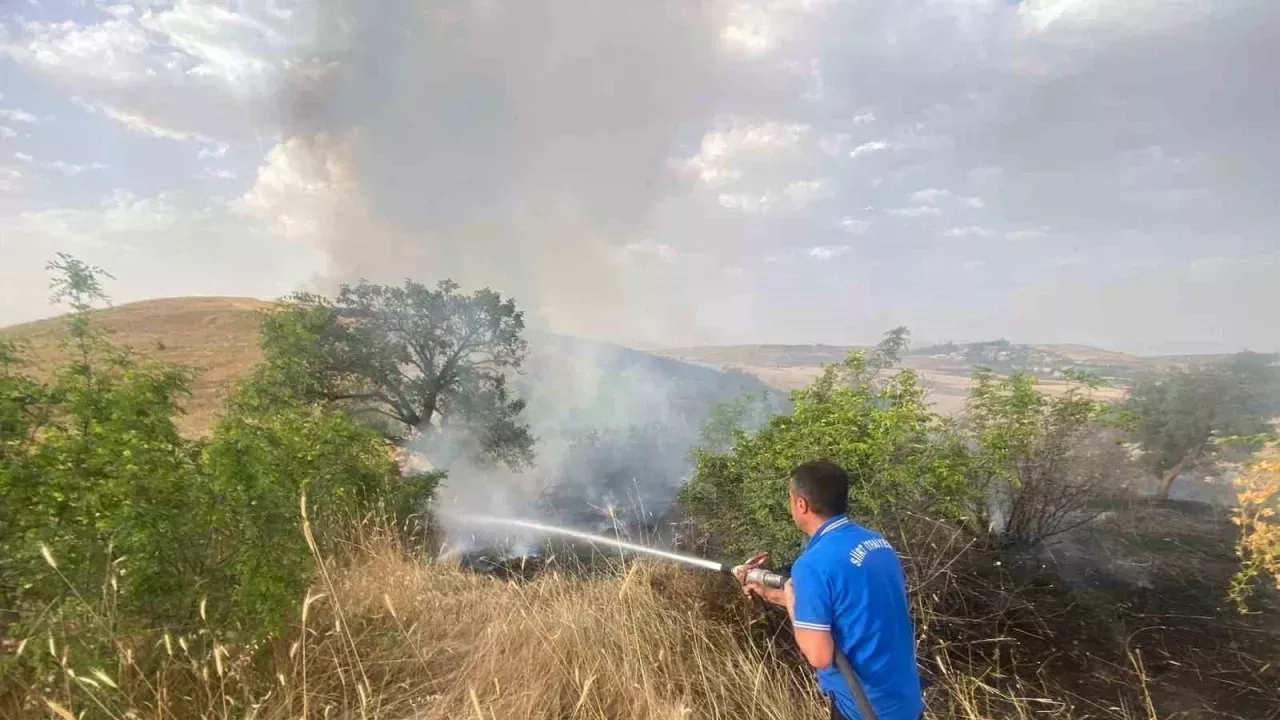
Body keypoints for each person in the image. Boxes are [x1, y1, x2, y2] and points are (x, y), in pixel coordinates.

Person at [735, 459, 923, 720]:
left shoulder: (813, 564)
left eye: (790, 498)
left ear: (802, 504)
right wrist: (770, 594)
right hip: (906, 700)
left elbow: (819, 655)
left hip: (864, 709)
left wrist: (790, 600)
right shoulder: (875, 542)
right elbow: (847, 606)